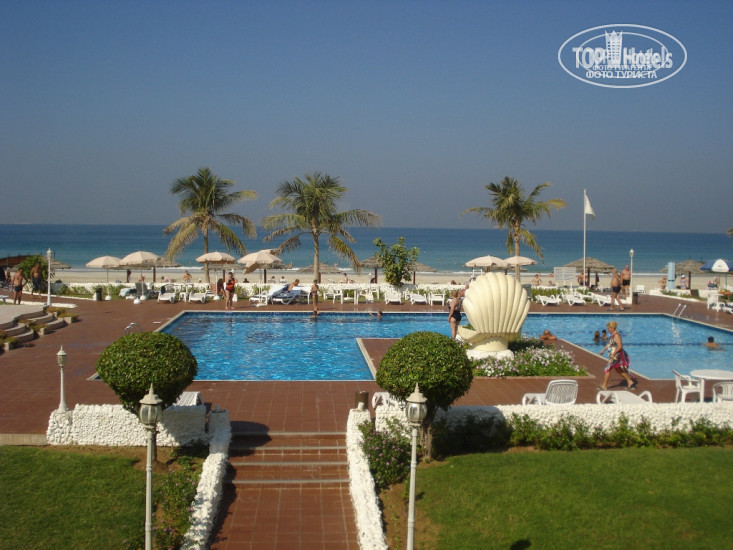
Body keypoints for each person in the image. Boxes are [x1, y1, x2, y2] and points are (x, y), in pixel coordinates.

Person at [599, 321, 636, 390]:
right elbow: (609, 344)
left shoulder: (616, 336)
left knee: (607, 369)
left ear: (613, 328)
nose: (608, 329)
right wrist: (603, 350)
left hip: (616, 356)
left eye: (609, 328)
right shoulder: (612, 335)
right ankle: (630, 382)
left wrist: (613, 354)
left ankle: (604, 386)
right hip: (614, 356)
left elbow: (620, 347)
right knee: (618, 369)